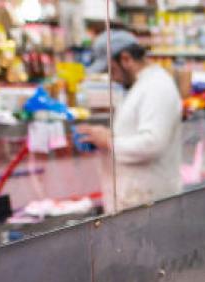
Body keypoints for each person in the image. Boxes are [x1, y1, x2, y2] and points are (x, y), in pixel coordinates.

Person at [76, 30, 182, 211]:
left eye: (112, 69)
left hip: (150, 203)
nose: (112, 77)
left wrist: (108, 141)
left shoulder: (156, 87)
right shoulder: (140, 86)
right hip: (136, 202)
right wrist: (107, 136)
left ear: (126, 59)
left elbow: (152, 143)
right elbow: (135, 132)